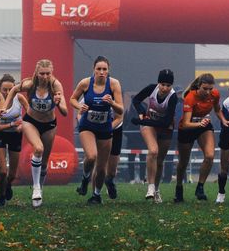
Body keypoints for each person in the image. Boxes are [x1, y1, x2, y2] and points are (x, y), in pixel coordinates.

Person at [71, 56, 123, 205]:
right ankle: (85, 178)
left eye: (104, 69)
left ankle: (96, 195)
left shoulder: (114, 84)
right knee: (92, 156)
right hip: (87, 125)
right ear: (93, 70)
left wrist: (112, 102)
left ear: (108, 71)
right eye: (98, 69)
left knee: (101, 168)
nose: (101, 72)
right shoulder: (85, 83)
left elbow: (121, 110)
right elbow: (72, 99)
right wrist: (79, 107)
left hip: (105, 127)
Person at [18, 59, 67, 207]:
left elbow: (65, 111)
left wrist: (59, 103)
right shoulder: (30, 84)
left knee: (44, 162)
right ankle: (36, 188)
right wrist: (6, 108)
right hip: (30, 121)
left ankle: (40, 187)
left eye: (48, 74)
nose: (45, 77)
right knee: (38, 149)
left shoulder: (55, 85)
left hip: (49, 124)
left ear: (51, 73)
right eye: (42, 74)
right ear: (36, 73)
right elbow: (14, 90)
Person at [130, 70, 180, 201]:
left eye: (168, 85)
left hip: (165, 127)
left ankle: (157, 189)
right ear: (158, 83)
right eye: (162, 84)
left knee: (160, 161)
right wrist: (141, 111)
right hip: (149, 125)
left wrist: (142, 120)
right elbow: (136, 100)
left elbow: (165, 122)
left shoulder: (173, 97)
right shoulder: (151, 89)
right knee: (153, 151)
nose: (165, 88)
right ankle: (150, 187)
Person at [174, 72, 221, 204]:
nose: (207, 92)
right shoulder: (190, 97)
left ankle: (200, 187)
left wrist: (224, 120)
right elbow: (186, 123)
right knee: (183, 162)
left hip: (203, 126)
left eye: (210, 89)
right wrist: (199, 123)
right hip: (187, 129)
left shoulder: (215, 94)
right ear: (198, 86)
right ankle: (179, 187)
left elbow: (217, 110)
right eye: (204, 89)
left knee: (210, 155)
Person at [0, 73, 25, 207]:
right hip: (0, 135)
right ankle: (2, 196)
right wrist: (11, 125)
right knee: (3, 171)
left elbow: (29, 115)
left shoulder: (19, 98)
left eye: (11, 89)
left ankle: (8, 185)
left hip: (15, 135)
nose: (8, 92)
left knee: (12, 174)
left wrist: (22, 125)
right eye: (5, 90)